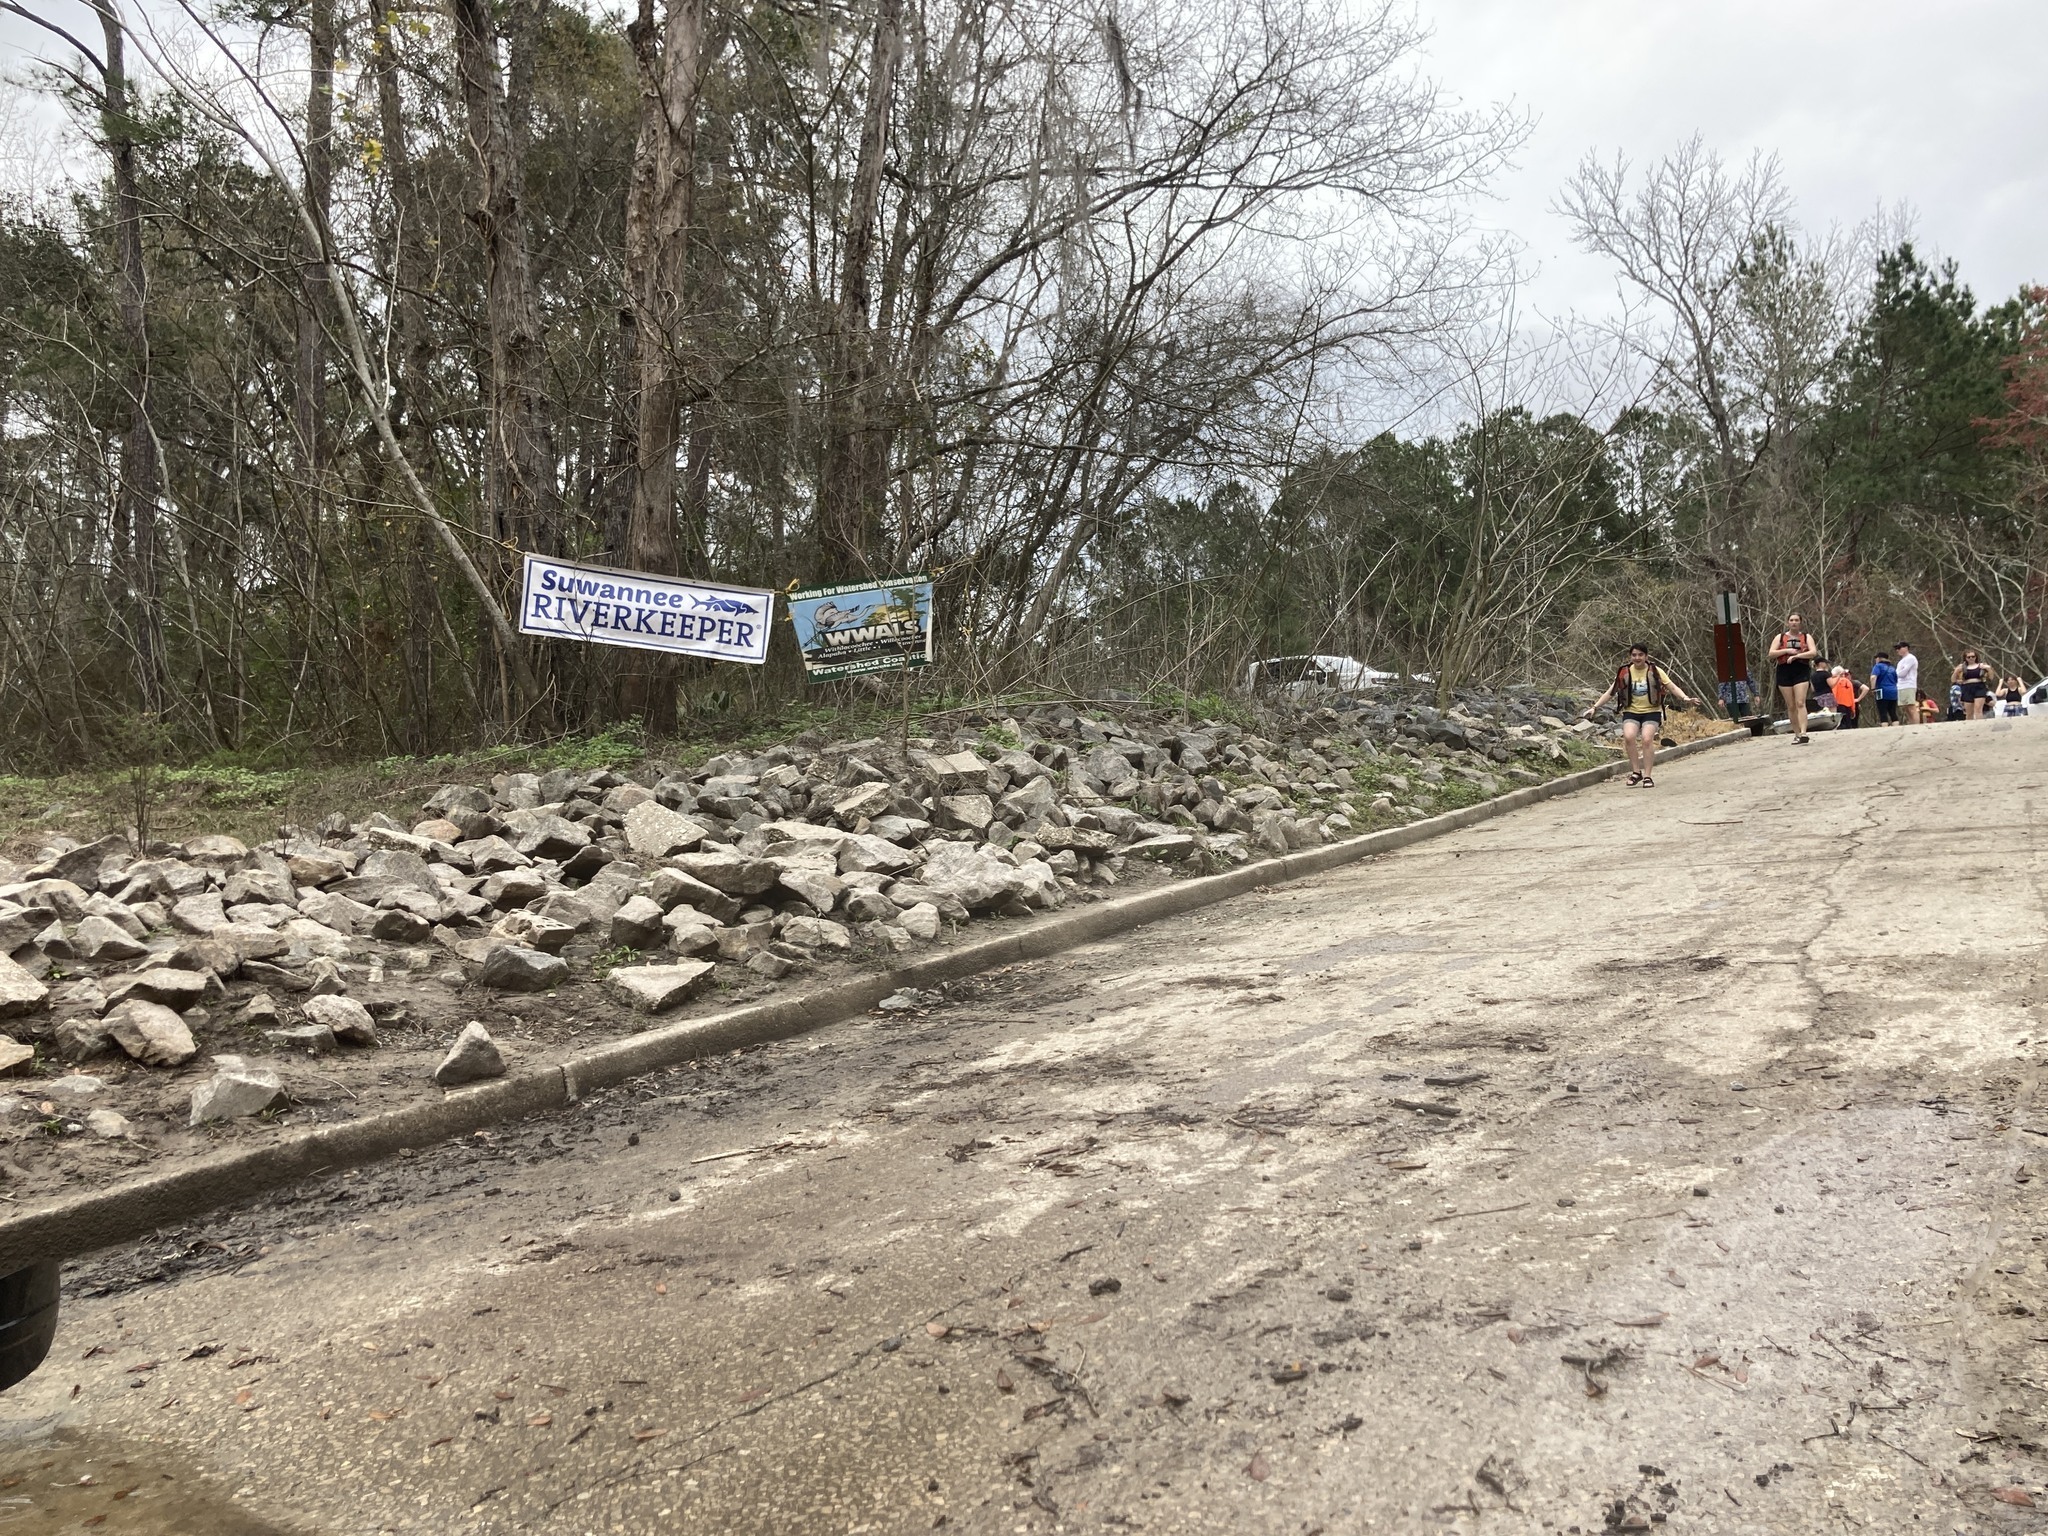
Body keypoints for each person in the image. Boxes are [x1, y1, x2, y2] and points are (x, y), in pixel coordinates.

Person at [1581, 644, 1696, 787]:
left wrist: (1685, 698)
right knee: (1629, 737)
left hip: (1651, 711)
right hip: (1631, 711)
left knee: (1647, 739)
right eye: (1634, 655)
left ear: (1646, 656)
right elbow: (1610, 693)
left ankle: (1647, 776)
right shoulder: (1625, 672)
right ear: (1630, 657)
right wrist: (1594, 707)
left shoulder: (1655, 671)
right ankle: (1636, 772)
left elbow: (1672, 687)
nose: (1637, 658)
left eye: (1640, 655)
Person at [1769, 613, 1819, 743]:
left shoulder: (1806, 637)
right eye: (1791, 620)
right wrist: (1786, 651)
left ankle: (1803, 733)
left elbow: (1813, 652)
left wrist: (1798, 656)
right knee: (1791, 705)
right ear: (1787, 623)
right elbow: (1771, 653)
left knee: (1800, 702)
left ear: (1800, 622)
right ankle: (1796, 733)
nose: (1794, 622)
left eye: (1796, 620)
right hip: (1784, 670)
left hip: (1801, 670)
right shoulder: (1780, 637)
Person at [1953, 650, 1993, 720]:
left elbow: (1991, 678)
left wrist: (1988, 669)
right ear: (1965, 658)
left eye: (1973, 656)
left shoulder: (1981, 666)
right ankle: (1970, 727)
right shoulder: (1962, 668)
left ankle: (1979, 725)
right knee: (1969, 712)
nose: (1971, 658)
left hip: (1979, 687)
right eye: (1968, 657)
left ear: (1976, 657)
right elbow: (1953, 680)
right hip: (1967, 688)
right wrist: (1956, 671)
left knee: (1978, 709)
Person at [1869, 652, 1900, 725]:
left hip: (1881, 691)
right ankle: (1897, 728)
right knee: (1893, 712)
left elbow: (1873, 677)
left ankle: (1884, 728)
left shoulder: (1878, 666)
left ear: (1879, 658)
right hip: (1893, 691)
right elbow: (1896, 680)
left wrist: (1873, 689)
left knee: (1882, 711)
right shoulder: (1892, 668)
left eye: (1876, 658)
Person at [1894, 642, 1920, 724]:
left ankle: (1916, 724)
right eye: (1896, 649)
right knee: (1905, 707)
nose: (1897, 650)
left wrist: (1896, 674)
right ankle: (1911, 723)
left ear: (1906, 648)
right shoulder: (1901, 661)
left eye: (1899, 648)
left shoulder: (1910, 658)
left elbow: (1903, 673)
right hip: (1901, 685)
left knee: (1911, 706)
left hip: (1909, 684)